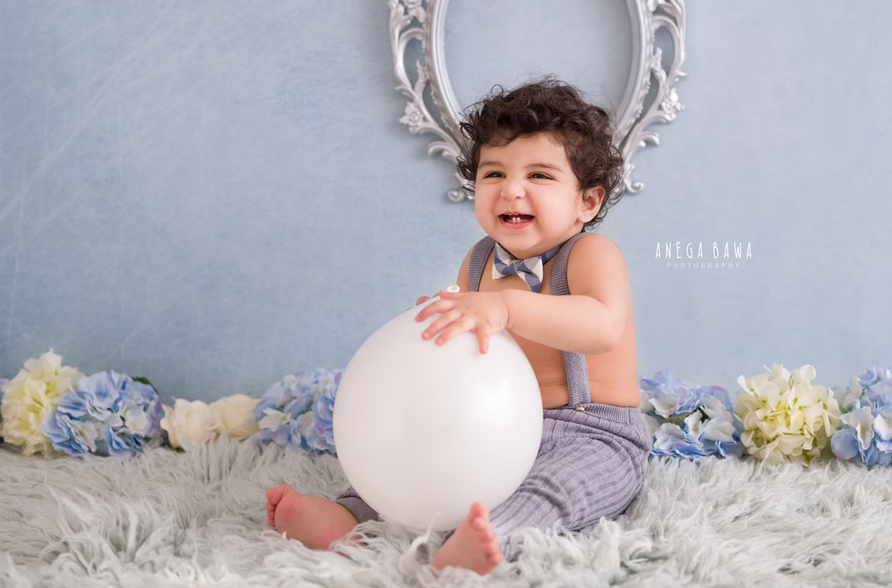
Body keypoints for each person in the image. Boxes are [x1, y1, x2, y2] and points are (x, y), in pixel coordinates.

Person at [265, 77, 650, 575]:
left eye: (539, 175)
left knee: (557, 489)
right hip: (500, 429)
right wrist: (446, 326)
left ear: (587, 202)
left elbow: (602, 326)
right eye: (494, 173)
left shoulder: (592, 254)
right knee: (416, 462)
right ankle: (346, 514)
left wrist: (504, 308)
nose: (512, 189)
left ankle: (494, 535)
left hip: (593, 433)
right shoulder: (477, 262)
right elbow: (467, 359)